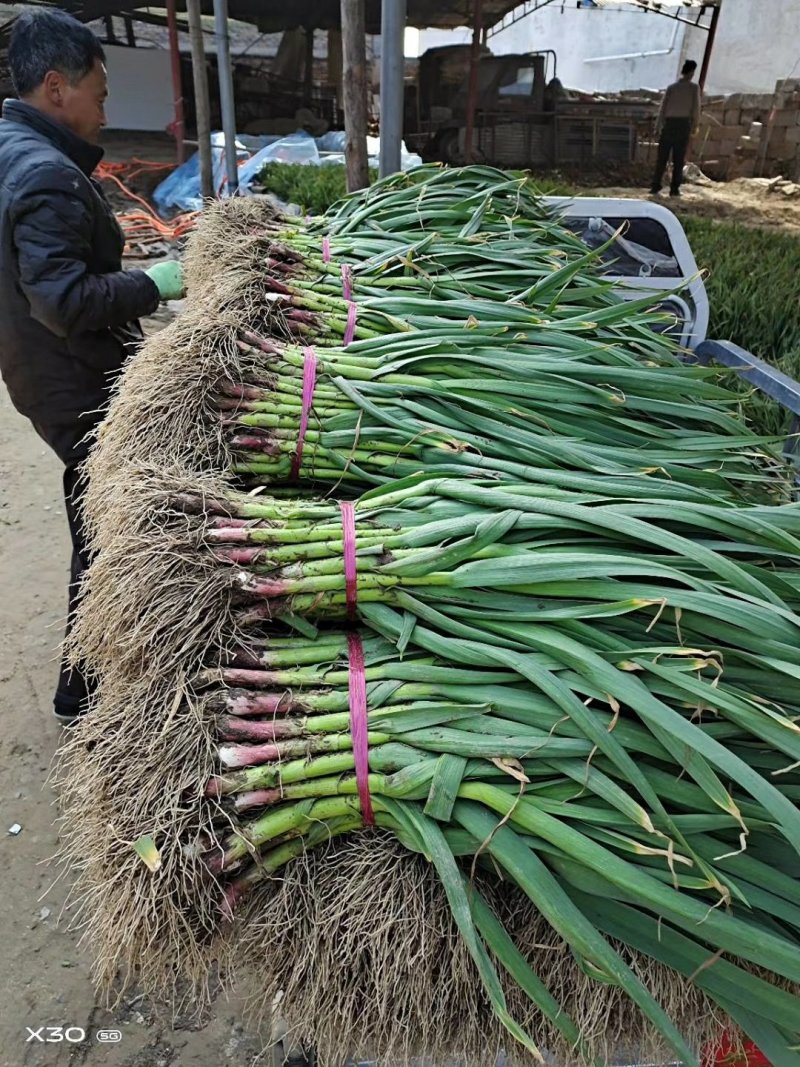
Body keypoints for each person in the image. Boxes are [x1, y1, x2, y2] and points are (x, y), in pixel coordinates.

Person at [0, 10, 185, 725]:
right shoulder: (44, 172)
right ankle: (83, 693)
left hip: (34, 365)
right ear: (56, 87)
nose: (106, 110)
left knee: (98, 515)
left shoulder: (13, 146)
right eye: (100, 95)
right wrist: (156, 284)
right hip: (68, 376)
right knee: (102, 527)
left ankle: (89, 681)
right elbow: (64, 299)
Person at [650, 59, 701, 198]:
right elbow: (696, 109)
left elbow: (662, 108)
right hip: (683, 125)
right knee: (678, 159)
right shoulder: (693, 88)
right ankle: (674, 189)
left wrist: (658, 126)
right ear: (691, 72)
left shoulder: (672, 87)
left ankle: (655, 186)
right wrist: (695, 126)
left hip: (669, 124)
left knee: (662, 157)